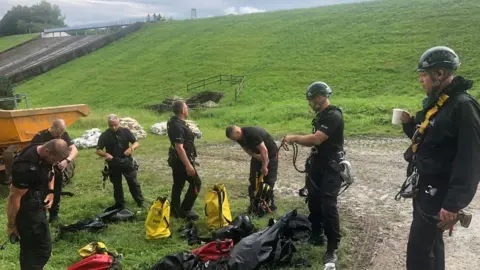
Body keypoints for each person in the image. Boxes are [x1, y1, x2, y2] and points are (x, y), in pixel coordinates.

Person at [399, 46, 480, 270]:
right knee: (432, 246)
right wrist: (409, 125)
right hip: (425, 187)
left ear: (440, 74)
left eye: (423, 75)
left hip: (439, 192)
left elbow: (471, 158)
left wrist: (454, 202)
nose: (421, 80)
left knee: (418, 251)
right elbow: (429, 141)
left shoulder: (463, 106)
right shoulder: (439, 103)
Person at [284, 81, 344, 265]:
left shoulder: (333, 115)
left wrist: (294, 138)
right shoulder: (320, 116)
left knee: (328, 205)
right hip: (317, 164)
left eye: (310, 99)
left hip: (331, 167)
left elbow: (317, 139)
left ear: (319, 97)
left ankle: (332, 247)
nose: (309, 103)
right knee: (313, 200)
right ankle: (317, 234)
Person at [6, 139, 70, 270]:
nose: (55, 163)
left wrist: (50, 192)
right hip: (27, 210)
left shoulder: (42, 150)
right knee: (39, 250)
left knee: (37, 250)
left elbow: (50, 171)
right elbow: (14, 197)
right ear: (47, 151)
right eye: (54, 159)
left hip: (38, 204)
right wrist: (11, 225)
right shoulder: (25, 167)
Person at [30, 118, 78, 222]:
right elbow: (33, 153)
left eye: (62, 132)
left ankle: (54, 214)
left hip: (57, 169)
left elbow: (74, 149)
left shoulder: (64, 134)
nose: (60, 135)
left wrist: (67, 160)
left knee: (56, 191)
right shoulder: (40, 136)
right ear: (53, 128)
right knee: (42, 192)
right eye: (59, 132)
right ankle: (41, 215)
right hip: (43, 171)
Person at [96, 114, 145, 211]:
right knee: (117, 185)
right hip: (113, 162)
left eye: (115, 125)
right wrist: (106, 155)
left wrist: (131, 148)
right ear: (108, 124)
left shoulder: (125, 131)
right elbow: (98, 150)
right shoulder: (105, 135)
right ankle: (120, 204)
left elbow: (136, 142)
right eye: (111, 125)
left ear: (119, 123)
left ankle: (140, 201)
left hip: (126, 161)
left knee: (133, 182)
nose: (113, 127)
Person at [225, 125, 278, 212]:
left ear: (238, 132)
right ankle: (254, 204)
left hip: (270, 154)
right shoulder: (239, 137)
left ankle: (267, 206)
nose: (235, 141)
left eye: (234, 138)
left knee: (269, 180)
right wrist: (255, 156)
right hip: (258, 154)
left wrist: (264, 166)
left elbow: (264, 150)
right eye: (233, 139)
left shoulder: (252, 133)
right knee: (253, 179)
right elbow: (245, 148)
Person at [167, 101, 201, 221]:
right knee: (196, 183)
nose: (188, 110)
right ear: (182, 111)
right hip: (181, 161)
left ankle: (175, 210)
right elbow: (179, 147)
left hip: (178, 160)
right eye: (186, 108)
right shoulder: (177, 125)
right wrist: (188, 166)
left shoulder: (176, 122)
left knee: (178, 184)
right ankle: (185, 210)